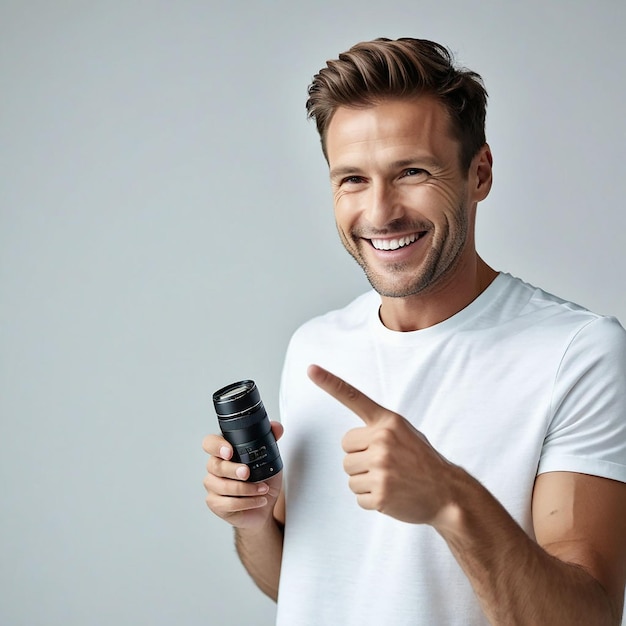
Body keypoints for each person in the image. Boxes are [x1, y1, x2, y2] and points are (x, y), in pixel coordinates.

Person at [203, 37, 626, 625]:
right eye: (352, 179)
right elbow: (311, 585)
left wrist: (451, 499)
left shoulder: (575, 353)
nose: (380, 213)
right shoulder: (315, 348)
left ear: (478, 173)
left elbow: (588, 617)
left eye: (412, 172)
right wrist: (254, 521)